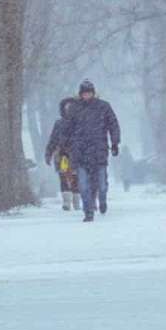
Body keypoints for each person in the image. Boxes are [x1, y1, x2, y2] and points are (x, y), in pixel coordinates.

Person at [67, 79, 120, 222]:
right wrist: (67, 148)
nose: (87, 95)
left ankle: (102, 200)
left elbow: (113, 125)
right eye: (84, 93)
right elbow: (67, 129)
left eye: (89, 93)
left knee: (102, 185)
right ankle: (88, 211)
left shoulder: (103, 107)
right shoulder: (74, 109)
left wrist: (115, 143)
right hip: (80, 153)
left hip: (99, 151)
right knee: (83, 186)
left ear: (93, 93)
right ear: (80, 94)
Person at [45, 97, 81, 211]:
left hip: (77, 155)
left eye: (71, 108)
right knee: (63, 176)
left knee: (76, 178)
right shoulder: (59, 123)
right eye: (66, 108)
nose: (68, 110)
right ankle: (66, 202)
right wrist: (48, 153)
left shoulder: (80, 123)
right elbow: (53, 139)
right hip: (62, 155)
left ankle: (76, 201)